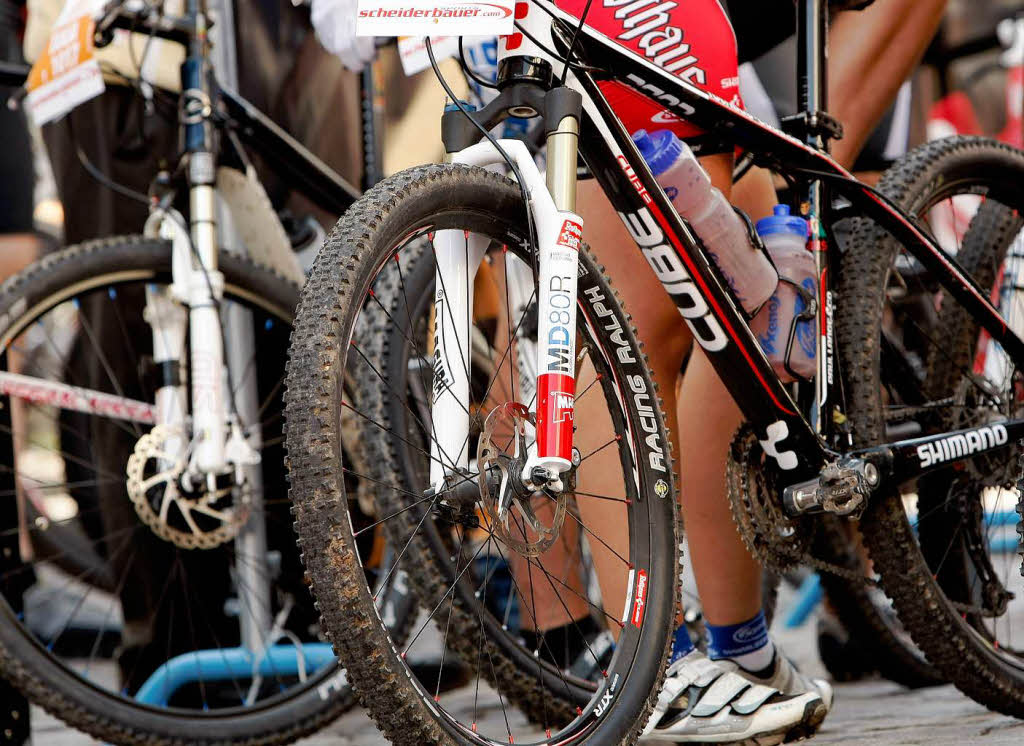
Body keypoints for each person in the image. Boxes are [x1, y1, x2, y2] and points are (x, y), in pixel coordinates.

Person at [313, 0, 948, 741]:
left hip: (590, 33)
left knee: (684, 319)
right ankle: (676, 660)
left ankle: (708, 656)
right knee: (653, 331)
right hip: (543, 46)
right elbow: (343, 26)